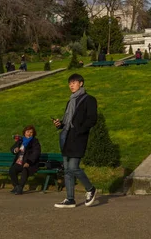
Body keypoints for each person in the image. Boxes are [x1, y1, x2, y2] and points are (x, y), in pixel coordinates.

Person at [53, 74, 98, 208]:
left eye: (74, 82)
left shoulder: (89, 99)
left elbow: (92, 119)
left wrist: (79, 130)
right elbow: (68, 121)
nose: (71, 85)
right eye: (69, 83)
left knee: (73, 167)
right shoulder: (70, 101)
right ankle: (70, 199)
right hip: (66, 136)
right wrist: (59, 124)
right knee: (67, 170)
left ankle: (90, 189)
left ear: (81, 83)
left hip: (78, 137)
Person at [9, 125, 42, 195]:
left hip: (30, 163)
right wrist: (15, 150)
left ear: (33, 134)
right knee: (12, 170)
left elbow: (36, 153)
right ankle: (16, 187)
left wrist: (28, 162)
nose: (29, 134)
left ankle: (20, 188)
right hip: (19, 162)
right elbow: (12, 148)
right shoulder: (21, 140)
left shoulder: (35, 141)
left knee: (25, 169)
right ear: (24, 132)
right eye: (27, 132)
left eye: (31, 132)